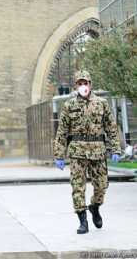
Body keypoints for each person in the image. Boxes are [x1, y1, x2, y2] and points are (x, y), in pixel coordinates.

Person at [53, 70, 120, 234]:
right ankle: (83, 221)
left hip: (98, 150)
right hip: (77, 151)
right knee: (77, 187)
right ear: (76, 86)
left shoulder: (102, 103)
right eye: (80, 83)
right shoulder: (69, 105)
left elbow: (111, 127)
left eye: (86, 83)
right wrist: (58, 155)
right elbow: (62, 131)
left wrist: (116, 148)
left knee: (102, 186)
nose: (83, 86)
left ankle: (95, 207)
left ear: (91, 84)